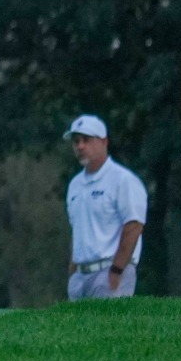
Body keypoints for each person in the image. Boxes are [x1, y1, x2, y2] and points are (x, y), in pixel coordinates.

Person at [63, 115, 147, 300]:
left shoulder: (123, 180)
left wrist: (117, 269)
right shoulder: (75, 185)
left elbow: (134, 226)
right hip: (80, 275)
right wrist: (72, 271)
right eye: (76, 141)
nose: (80, 146)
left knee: (107, 320)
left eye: (86, 140)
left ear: (104, 142)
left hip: (110, 271)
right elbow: (77, 231)